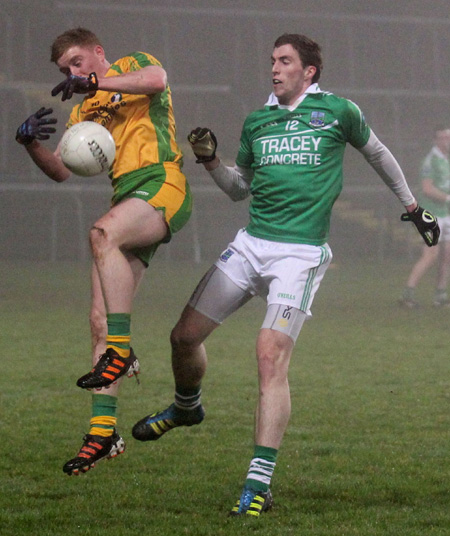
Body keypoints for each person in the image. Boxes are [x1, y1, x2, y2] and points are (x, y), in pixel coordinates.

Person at [131, 33, 439, 517]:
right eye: (272, 60)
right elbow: (239, 189)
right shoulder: (258, 120)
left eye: (285, 61)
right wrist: (212, 161)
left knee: (269, 357)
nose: (274, 68)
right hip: (252, 246)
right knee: (183, 337)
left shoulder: (339, 111)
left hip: (300, 254)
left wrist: (413, 207)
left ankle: (258, 485)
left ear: (309, 71)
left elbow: (378, 154)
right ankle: (187, 407)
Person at [15, 28, 191, 476]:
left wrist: (96, 83)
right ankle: (102, 434)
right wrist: (31, 143)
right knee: (97, 321)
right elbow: (60, 170)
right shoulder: (84, 110)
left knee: (100, 234)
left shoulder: (131, 66)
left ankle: (123, 351)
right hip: (125, 201)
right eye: (64, 70)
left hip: (160, 183)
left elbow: (157, 79)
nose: (72, 73)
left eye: (77, 62)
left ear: (98, 52)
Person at [400, 126, 450, 308]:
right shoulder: (430, 161)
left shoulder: (446, 160)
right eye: (444, 137)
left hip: (445, 213)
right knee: (430, 255)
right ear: (436, 140)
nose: (448, 140)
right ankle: (408, 293)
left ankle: (440, 294)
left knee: (447, 256)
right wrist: (448, 198)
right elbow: (427, 189)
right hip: (430, 213)